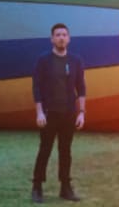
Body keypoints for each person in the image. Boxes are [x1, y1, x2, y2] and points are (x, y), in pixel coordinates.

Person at [30, 23, 86, 203]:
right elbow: (36, 87)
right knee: (45, 150)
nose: (61, 37)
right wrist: (39, 113)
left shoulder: (76, 60)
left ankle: (65, 188)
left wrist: (82, 112)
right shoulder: (44, 60)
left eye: (64, 35)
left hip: (68, 113)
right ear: (52, 39)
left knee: (65, 151)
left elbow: (81, 87)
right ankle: (37, 187)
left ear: (69, 38)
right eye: (57, 35)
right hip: (49, 113)